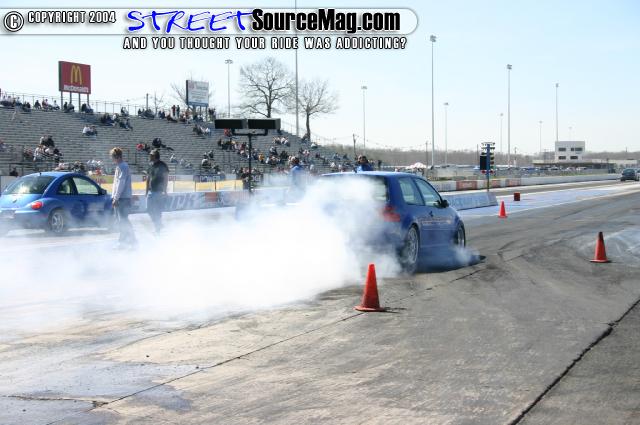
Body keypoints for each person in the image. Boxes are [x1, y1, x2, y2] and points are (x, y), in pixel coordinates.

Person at [110, 147, 137, 249]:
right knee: (123, 221)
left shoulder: (123, 166)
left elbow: (121, 184)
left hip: (122, 198)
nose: (112, 159)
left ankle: (125, 242)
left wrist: (116, 198)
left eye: (113, 157)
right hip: (121, 198)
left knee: (123, 221)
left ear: (117, 157)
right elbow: (117, 184)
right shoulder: (120, 166)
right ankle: (130, 241)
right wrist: (114, 196)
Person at [145, 149, 169, 234]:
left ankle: (157, 229)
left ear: (155, 156)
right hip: (151, 192)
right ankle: (158, 224)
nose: (149, 156)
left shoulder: (162, 165)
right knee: (148, 210)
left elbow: (166, 178)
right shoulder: (150, 165)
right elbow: (148, 179)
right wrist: (146, 191)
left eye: (151, 155)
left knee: (158, 211)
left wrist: (165, 190)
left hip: (159, 192)